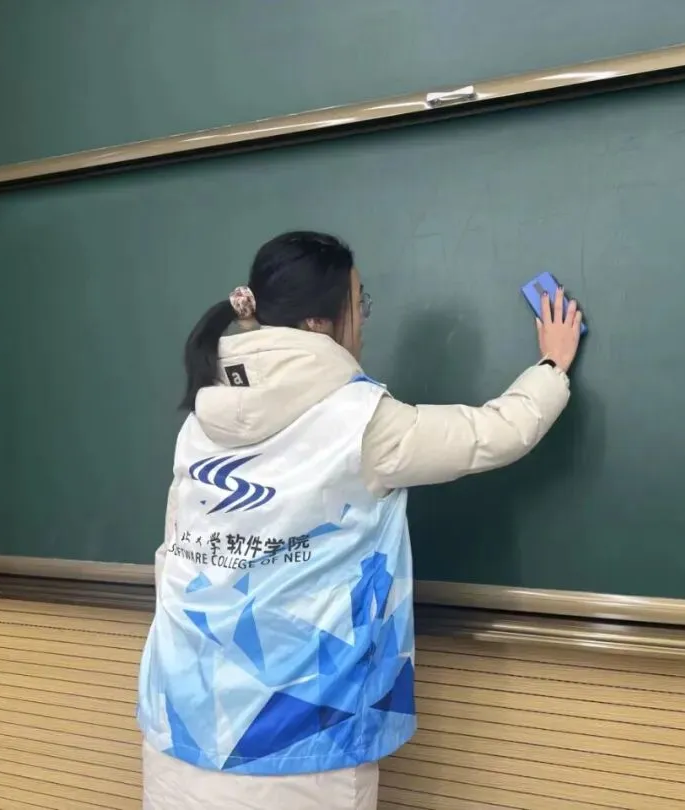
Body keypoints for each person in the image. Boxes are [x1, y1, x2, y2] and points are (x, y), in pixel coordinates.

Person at [137, 231, 583, 810]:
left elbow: (173, 553)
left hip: (178, 723)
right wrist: (552, 364)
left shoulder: (201, 418)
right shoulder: (362, 422)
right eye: (359, 301)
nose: (365, 320)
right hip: (299, 749)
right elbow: (492, 434)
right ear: (319, 323)